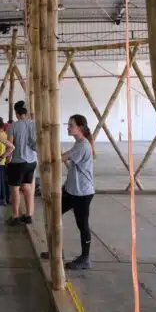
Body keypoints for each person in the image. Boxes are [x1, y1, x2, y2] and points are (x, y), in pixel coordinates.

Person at [62, 114, 96, 271]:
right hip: (71, 190)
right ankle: (56, 251)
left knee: (82, 224)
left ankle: (85, 258)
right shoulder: (78, 143)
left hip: (82, 193)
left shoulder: (83, 145)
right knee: (54, 214)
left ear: (80, 128)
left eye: (71, 125)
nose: (68, 128)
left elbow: (62, 157)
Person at [6, 100, 37, 225]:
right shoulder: (33, 124)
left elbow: (10, 146)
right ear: (26, 111)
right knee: (27, 186)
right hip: (31, 161)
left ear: (16, 112)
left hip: (17, 162)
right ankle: (29, 215)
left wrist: (5, 158)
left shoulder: (13, 126)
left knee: (15, 188)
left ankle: (15, 216)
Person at [0, 117, 11, 206]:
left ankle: (2, 199)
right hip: (4, 161)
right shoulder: (6, 134)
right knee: (4, 181)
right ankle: (7, 199)